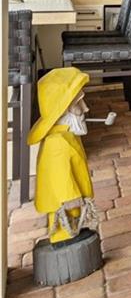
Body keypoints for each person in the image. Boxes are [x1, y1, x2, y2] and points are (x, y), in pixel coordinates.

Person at [27, 67, 99, 245]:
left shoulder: (65, 135)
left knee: (72, 222)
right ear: (62, 111)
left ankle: (69, 237)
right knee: (65, 225)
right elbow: (60, 176)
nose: (86, 108)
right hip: (65, 202)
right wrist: (71, 197)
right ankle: (64, 242)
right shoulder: (57, 143)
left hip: (71, 201)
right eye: (78, 103)